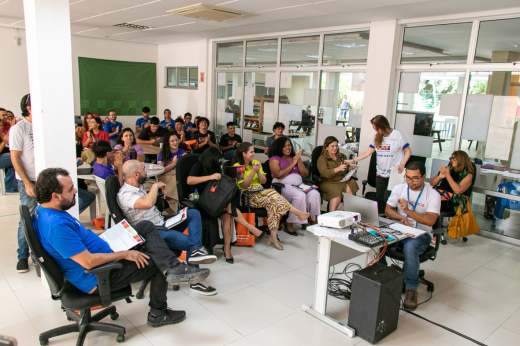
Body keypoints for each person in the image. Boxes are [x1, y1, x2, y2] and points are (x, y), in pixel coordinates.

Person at [33, 167, 210, 326]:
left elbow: (79, 241)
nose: (75, 192)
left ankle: (173, 268)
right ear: (55, 197)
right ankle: (159, 312)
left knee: (146, 226)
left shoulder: (45, 211)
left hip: (107, 251)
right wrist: (125, 254)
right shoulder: (56, 226)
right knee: (159, 260)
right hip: (100, 275)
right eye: (70, 189)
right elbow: (88, 262)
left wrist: (109, 238)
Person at [117, 160, 218, 295]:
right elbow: (147, 203)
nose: (146, 172)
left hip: (162, 224)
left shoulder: (137, 187)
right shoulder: (125, 195)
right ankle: (196, 282)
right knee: (191, 242)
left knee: (193, 213)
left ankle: (195, 251)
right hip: (152, 234)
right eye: (143, 170)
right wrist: (155, 186)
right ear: (135, 174)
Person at [188, 147, 266, 262]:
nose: (219, 162)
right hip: (201, 199)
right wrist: (210, 177)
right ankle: (250, 228)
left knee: (228, 215)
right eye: (217, 159)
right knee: (229, 209)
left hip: (215, 197)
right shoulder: (198, 166)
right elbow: (189, 180)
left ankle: (227, 248)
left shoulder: (216, 167)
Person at [382, 161, 440, 311]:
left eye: (414, 178)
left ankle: (411, 289)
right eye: (407, 177)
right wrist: (401, 218)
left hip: (422, 233)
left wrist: (407, 211)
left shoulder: (433, 195)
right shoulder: (399, 188)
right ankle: (383, 277)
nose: (410, 181)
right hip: (400, 228)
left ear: (424, 177)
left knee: (410, 247)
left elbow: (430, 220)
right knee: (378, 239)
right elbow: (388, 210)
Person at [232, 143, 310, 251]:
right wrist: (253, 172)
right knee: (273, 194)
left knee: (274, 203)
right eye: (251, 152)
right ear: (244, 154)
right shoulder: (238, 166)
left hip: (261, 192)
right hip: (247, 196)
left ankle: (273, 238)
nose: (254, 154)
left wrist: (258, 171)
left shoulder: (255, 163)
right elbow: (244, 185)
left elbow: (263, 181)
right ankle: (297, 212)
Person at [346, 115, 411, 214]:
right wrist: (353, 160)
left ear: (383, 125)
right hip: (381, 172)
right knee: (380, 198)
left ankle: (392, 218)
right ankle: (381, 219)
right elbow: (367, 152)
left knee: (390, 198)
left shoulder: (397, 135)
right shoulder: (377, 137)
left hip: (395, 173)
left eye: (376, 128)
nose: (375, 131)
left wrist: (402, 164)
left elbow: (408, 151)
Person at [269, 137, 320, 235]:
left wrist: (298, 160)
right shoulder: (275, 159)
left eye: (289, 145)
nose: (288, 147)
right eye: (284, 146)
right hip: (282, 185)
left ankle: (313, 221)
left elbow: (305, 174)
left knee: (315, 194)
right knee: (300, 195)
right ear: (279, 147)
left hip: (299, 185)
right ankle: (289, 223)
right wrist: (293, 164)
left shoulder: (295, 157)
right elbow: (278, 174)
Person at [10, 94, 36, 273]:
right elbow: (15, 158)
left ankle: (39, 255)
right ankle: (22, 255)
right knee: (27, 219)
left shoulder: (44, 126)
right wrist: (27, 183)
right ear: (28, 107)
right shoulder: (19, 128)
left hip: (46, 179)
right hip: (29, 180)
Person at [317, 136, 359, 211]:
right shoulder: (322, 158)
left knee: (352, 183)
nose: (335, 148)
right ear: (326, 146)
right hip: (329, 182)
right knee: (337, 190)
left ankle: (342, 210)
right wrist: (337, 169)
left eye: (336, 146)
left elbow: (344, 170)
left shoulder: (341, 156)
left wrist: (350, 168)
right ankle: (331, 214)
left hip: (341, 180)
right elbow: (324, 173)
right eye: (332, 146)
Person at [157, 132, 187, 211]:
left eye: (176, 140)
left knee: (179, 182)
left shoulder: (183, 152)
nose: (175, 143)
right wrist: (174, 164)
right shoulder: (162, 153)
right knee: (176, 185)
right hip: (166, 176)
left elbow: (186, 169)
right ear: (168, 142)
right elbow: (161, 171)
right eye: (172, 141)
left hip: (179, 175)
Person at [0, 108, 17, 193]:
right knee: (15, 159)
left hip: (4, 154)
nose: (6, 116)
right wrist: (4, 142)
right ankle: (9, 188)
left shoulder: (6, 126)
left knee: (16, 157)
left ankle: (10, 187)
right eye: (3, 115)